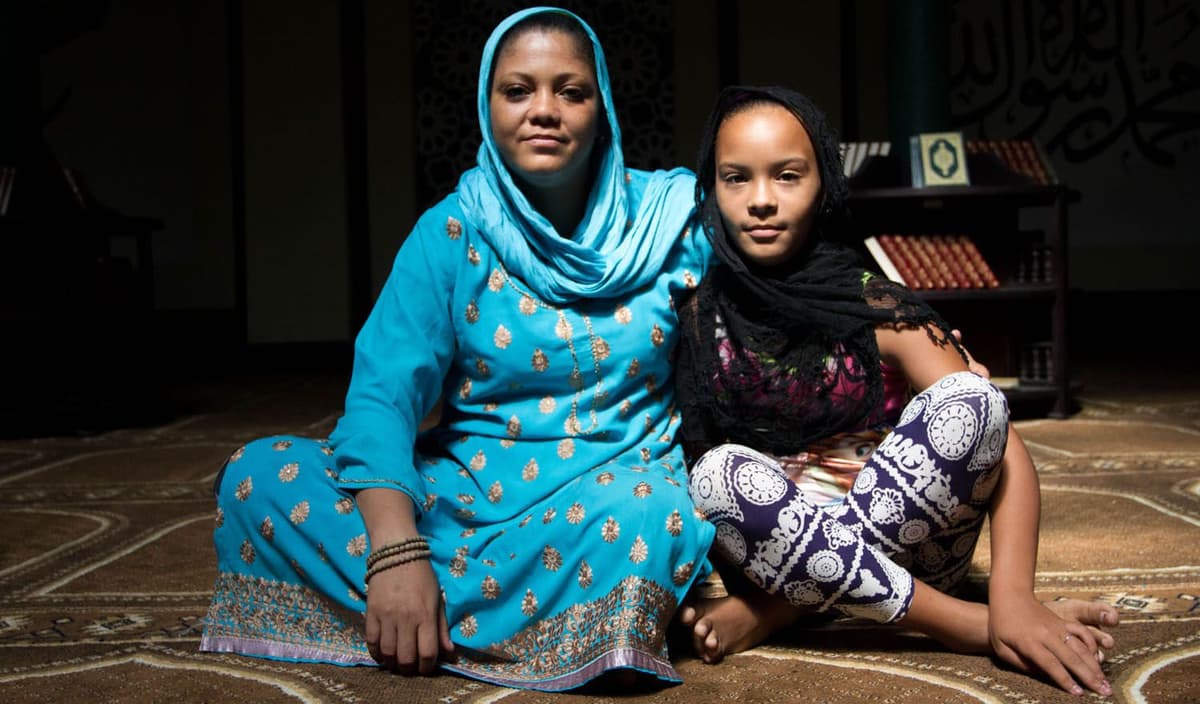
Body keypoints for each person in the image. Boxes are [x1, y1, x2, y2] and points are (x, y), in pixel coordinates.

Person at [200, 6, 718, 692]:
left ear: (603, 111)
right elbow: (382, 398)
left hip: (605, 502)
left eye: (570, 91)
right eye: (517, 90)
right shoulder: (450, 232)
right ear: (486, 104)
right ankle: (538, 625)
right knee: (259, 474)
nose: (544, 110)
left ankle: (424, 624)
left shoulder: (672, 222)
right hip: (462, 497)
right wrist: (396, 552)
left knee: (653, 513)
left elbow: (766, 321)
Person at [672, 85, 1119, 698]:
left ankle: (781, 616)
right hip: (779, 559)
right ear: (711, 190)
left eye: (787, 175)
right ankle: (968, 624)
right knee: (716, 475)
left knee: (977, 399)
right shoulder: (698, 320)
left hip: (916, 552)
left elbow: (1005, 449)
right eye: (736, 178)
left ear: (824, 186)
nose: (762, 200)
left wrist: (1015, 597)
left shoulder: (872, 303)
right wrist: (996, 619)